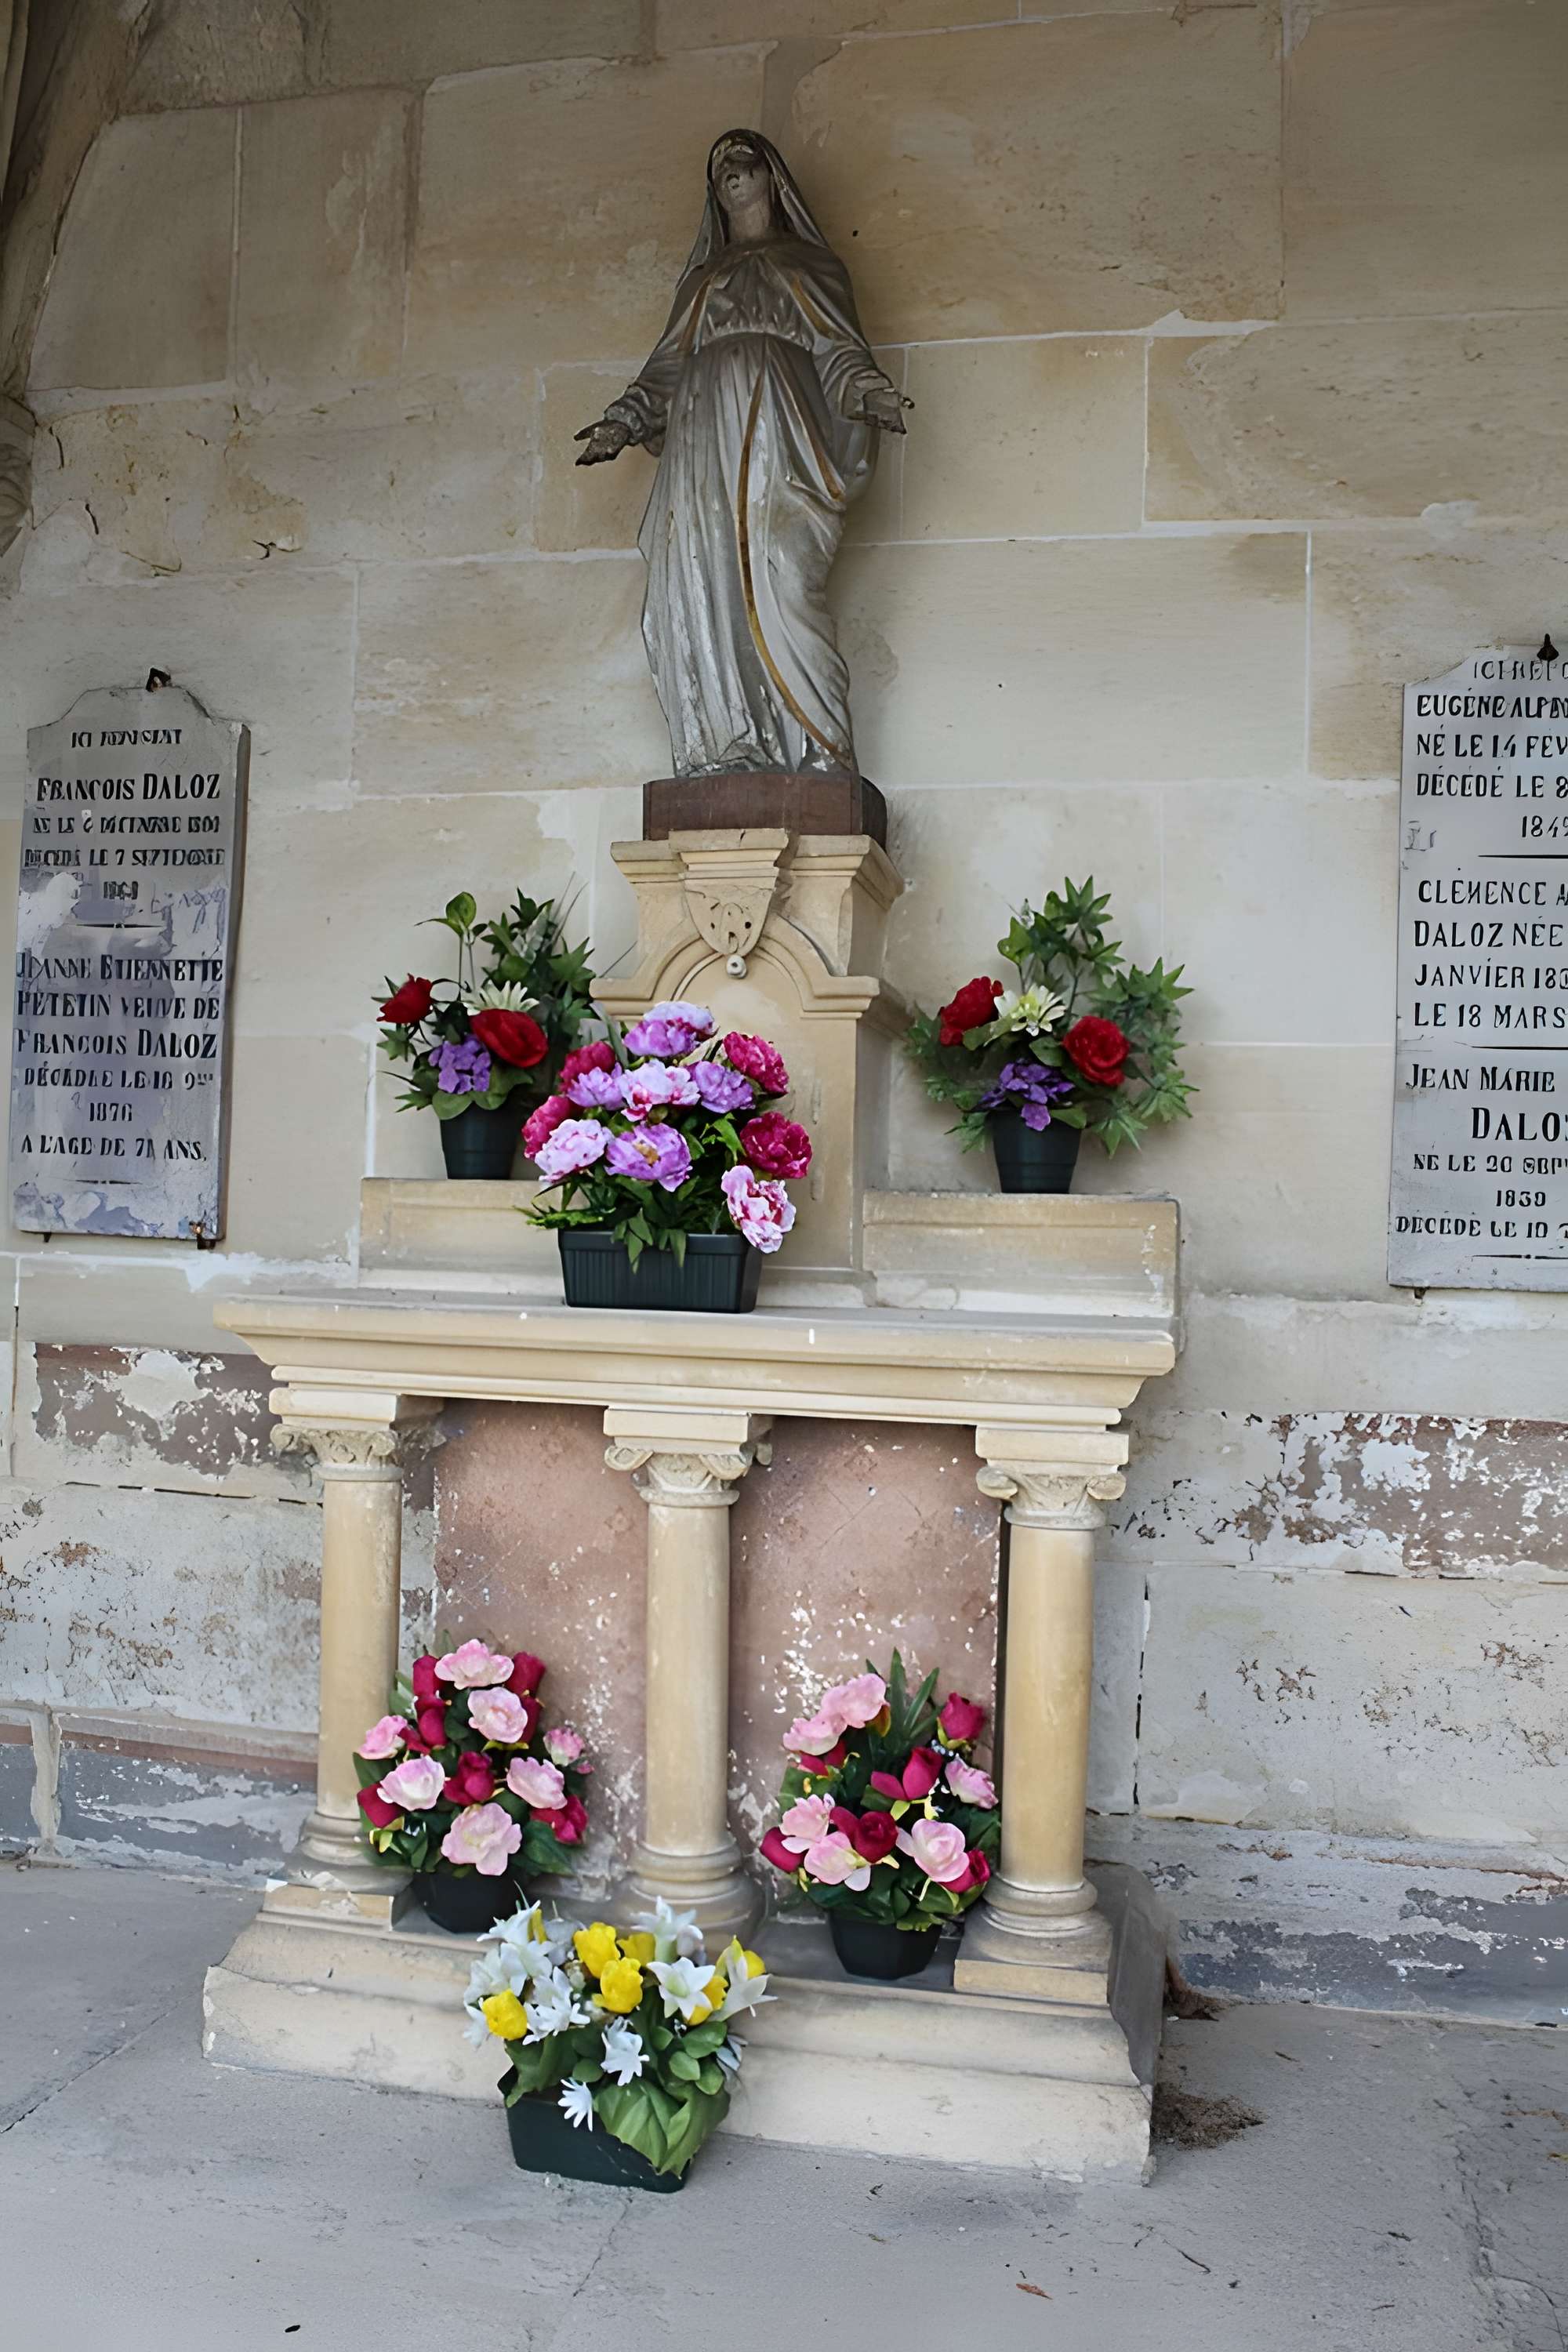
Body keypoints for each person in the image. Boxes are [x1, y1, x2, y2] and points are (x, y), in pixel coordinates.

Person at [576, 129, 907, 781]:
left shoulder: (813, 267)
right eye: (718, 165)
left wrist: (869, 393)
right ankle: (729, 746)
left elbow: (841, 351)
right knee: (702, 583)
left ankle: (821, 751)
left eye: (741, 158)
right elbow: (665, 369)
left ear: (771, 176)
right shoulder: (703, 281)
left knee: (784, 574)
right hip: (704, 449)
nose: (730, 170)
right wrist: (624, 420)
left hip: (780, 438)